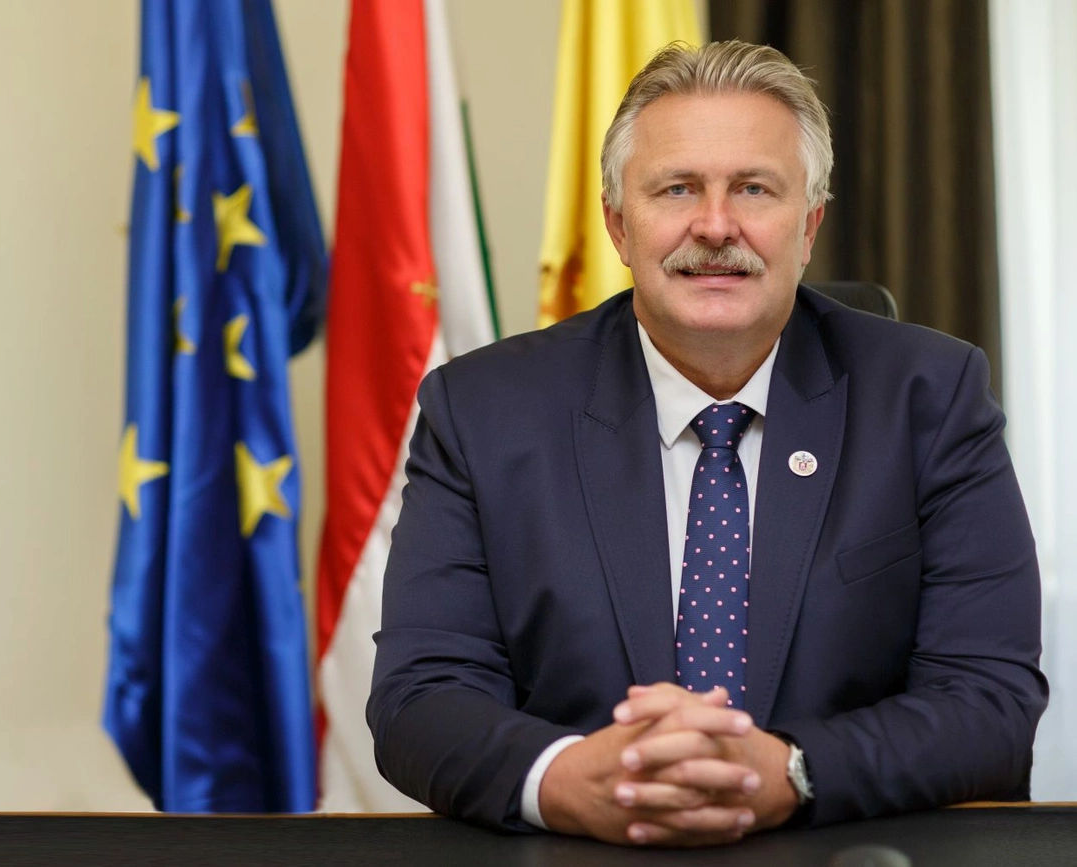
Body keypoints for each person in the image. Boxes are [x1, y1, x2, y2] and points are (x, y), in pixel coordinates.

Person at [366, 40, 1047, 848]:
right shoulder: (482, 411)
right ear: (619, 225)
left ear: (809, 225)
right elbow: (421, 694)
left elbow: (989, 698)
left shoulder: (929, 397)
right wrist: (570, 777)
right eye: (677, 188)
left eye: (754, 189)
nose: (716, 226)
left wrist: (789, 770)